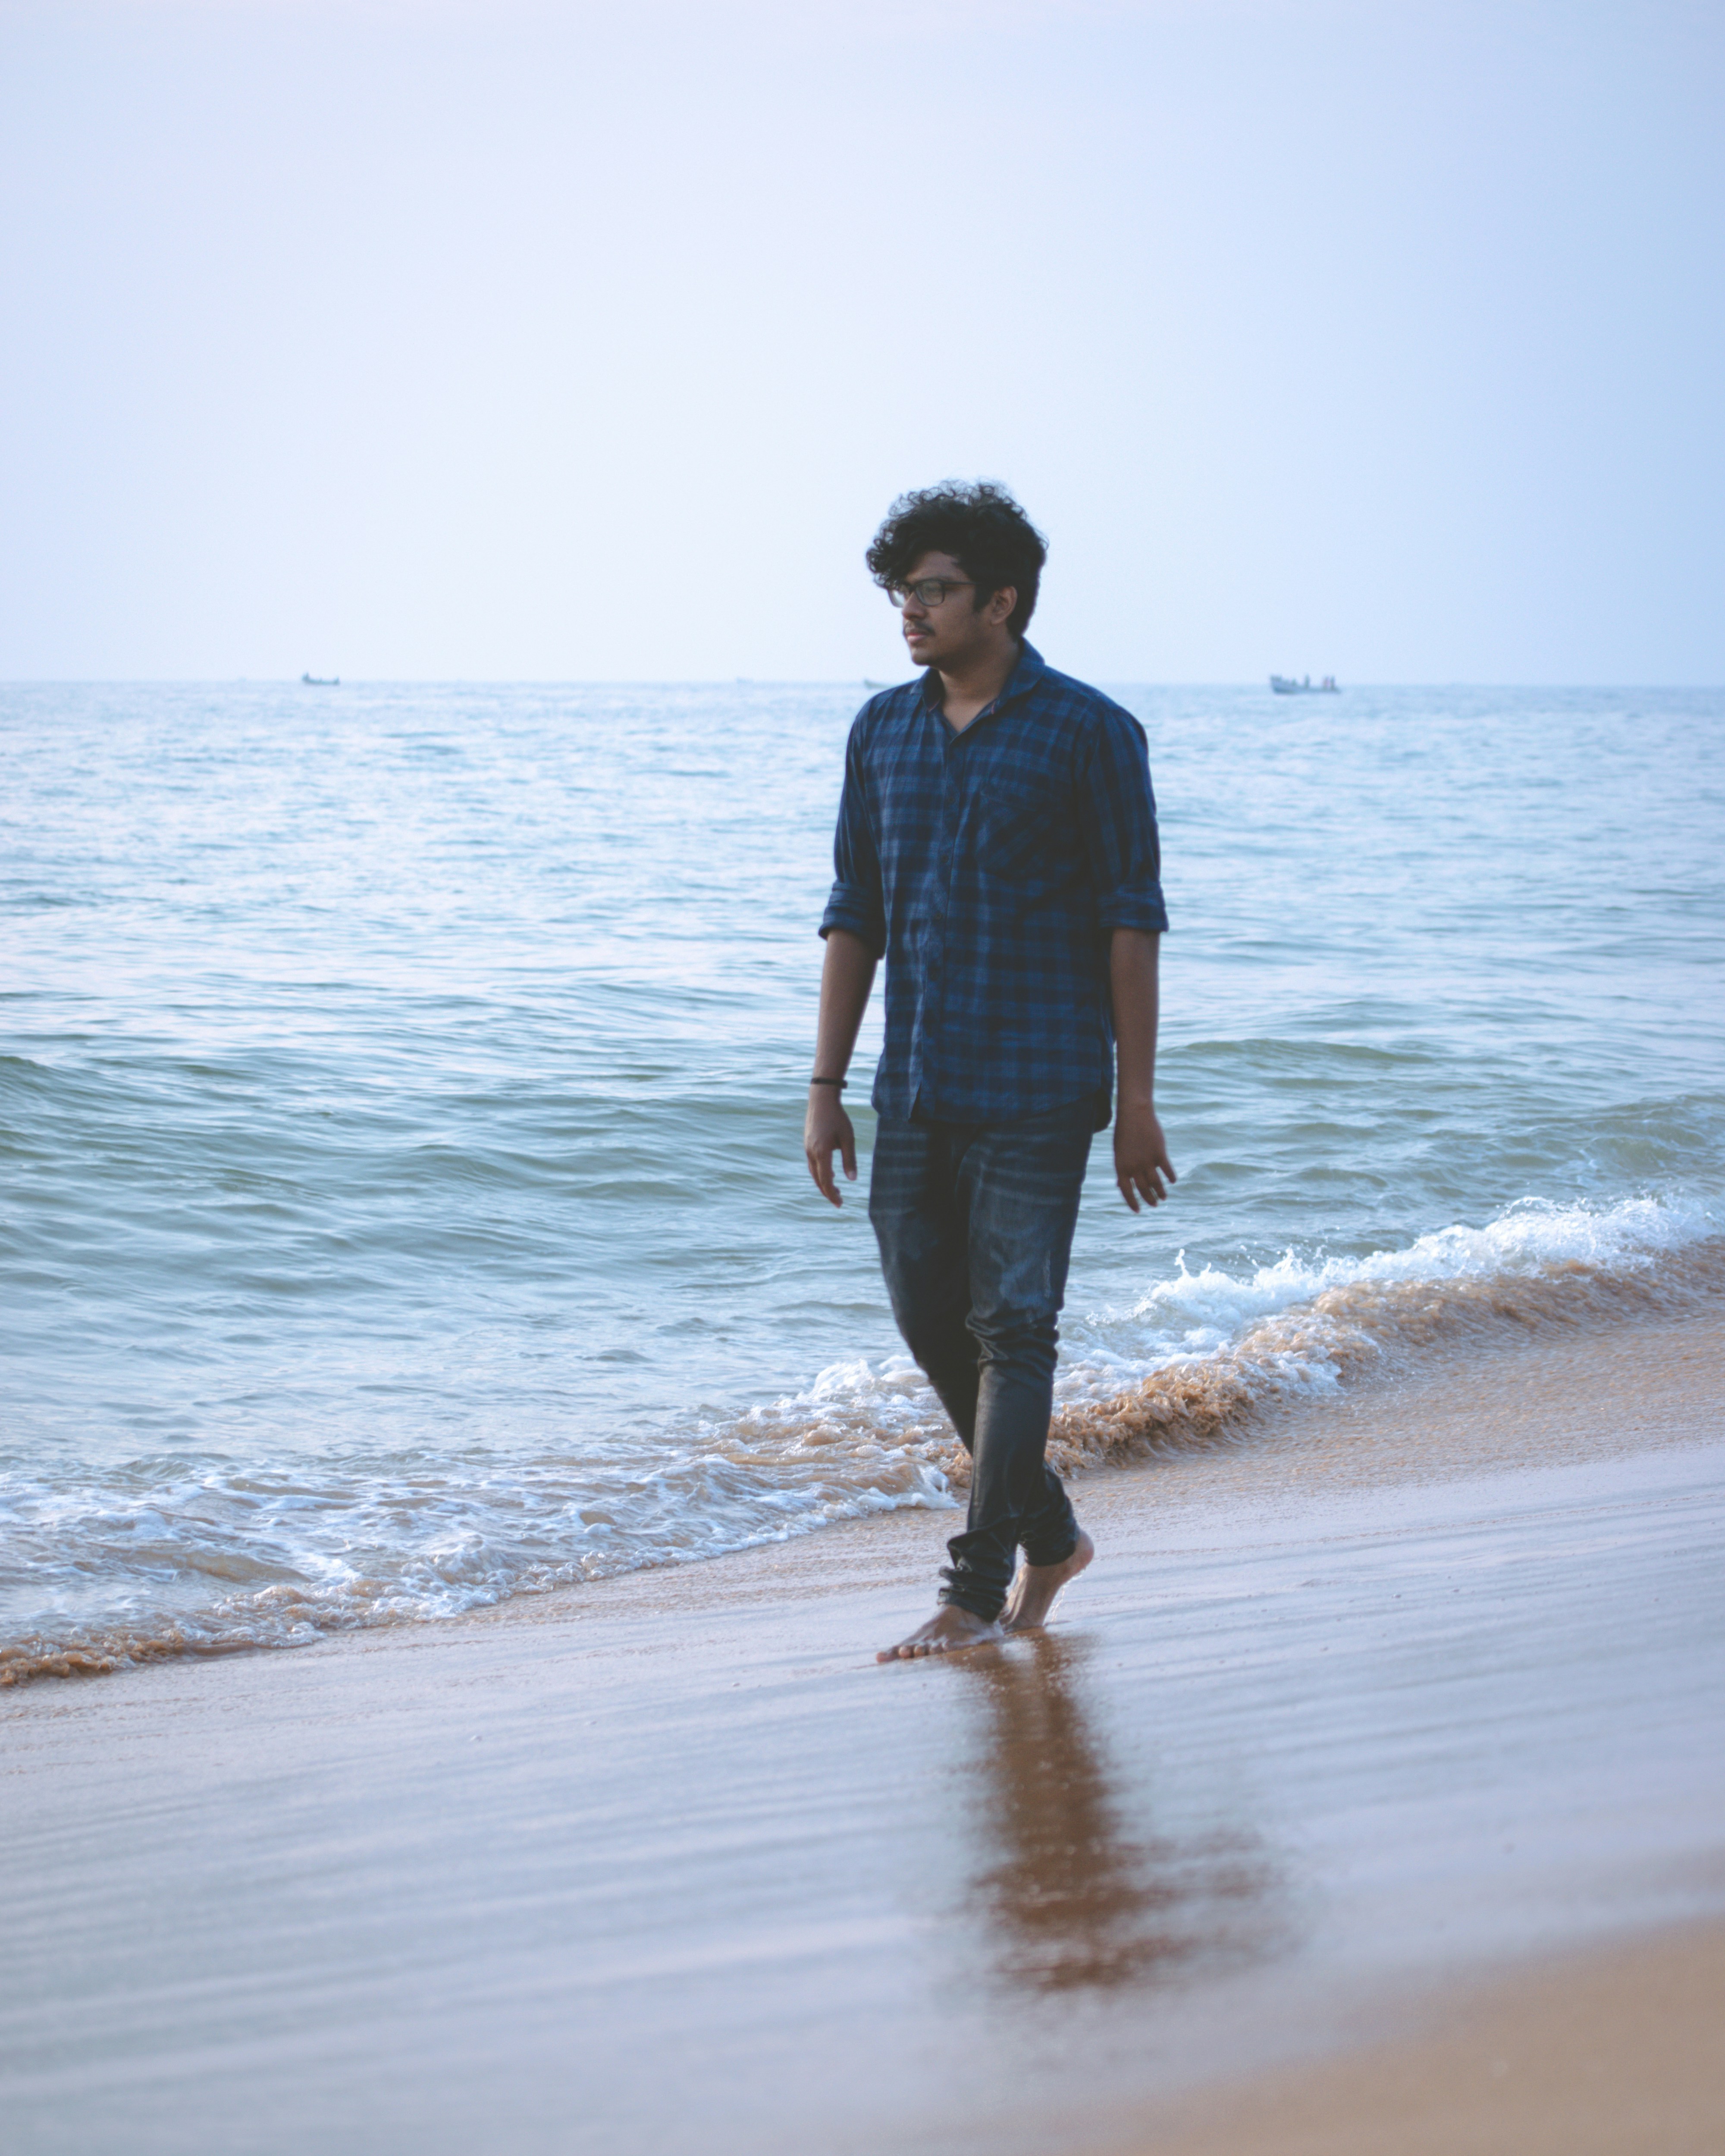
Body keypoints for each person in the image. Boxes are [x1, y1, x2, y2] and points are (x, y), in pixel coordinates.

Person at [803, 481, 1175, 1663]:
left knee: (1016, 1327)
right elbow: (854, 913)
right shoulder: (882, 731)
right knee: (931, 1321)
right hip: (913, 1087)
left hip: (1041, 1083)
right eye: (902, 590)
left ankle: (973, 1591)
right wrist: (824, 1087)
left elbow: (1131, 921)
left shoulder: (1090, 733)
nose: (910, 609)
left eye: (936, 589)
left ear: (1001, 601)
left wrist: (1136, 1101)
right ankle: (1052, 1535)